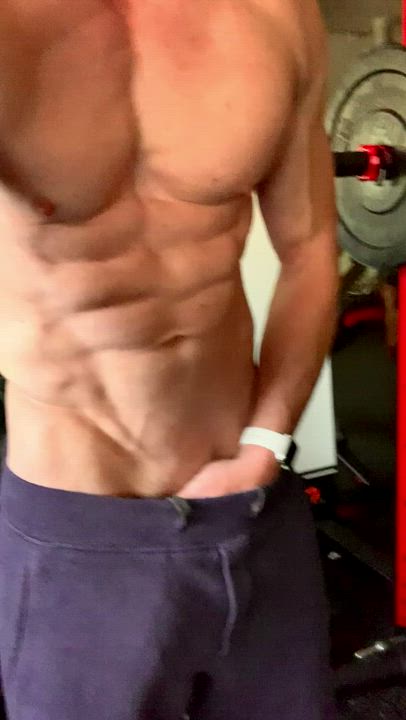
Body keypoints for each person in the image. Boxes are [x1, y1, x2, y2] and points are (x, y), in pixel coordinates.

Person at [0, 1, 338, 718]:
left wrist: (266, 445)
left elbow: (309, 251)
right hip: (79, 531)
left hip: (251, 505)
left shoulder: (277, 14)